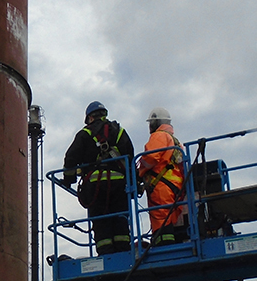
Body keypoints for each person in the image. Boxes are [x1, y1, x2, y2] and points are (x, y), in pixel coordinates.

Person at [63, 101, 135, 255]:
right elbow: (130, 157)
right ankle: (123, 252)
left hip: (95, 186)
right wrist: (134, 182)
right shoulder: (120, 131)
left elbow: (70, 158)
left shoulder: (85, 134)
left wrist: (68, 180)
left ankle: (106, 254)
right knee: (120, 218)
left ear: (90, 118)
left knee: (101, 221)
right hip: (119, 185)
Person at [136, 107, 186, 246]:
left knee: (161, 219)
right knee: (169, 219)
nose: (149, 127)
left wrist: (139, 172)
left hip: (161, 188)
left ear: (156, 122)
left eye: (150, 123)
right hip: (175, 188)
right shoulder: (176, 142)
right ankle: (168, 244)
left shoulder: (159, 136)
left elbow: (150, 157)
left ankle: (163, 247)